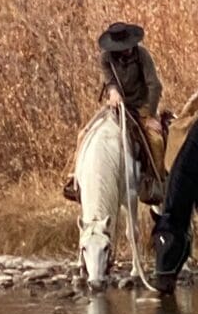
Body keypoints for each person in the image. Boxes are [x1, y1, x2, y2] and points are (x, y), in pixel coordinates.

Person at [64, 22, 165, 203]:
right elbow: (110, 80)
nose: (125, 50)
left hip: (142, 105)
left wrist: (150, 114)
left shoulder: (142, 55)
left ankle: (156, 181)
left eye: (127, 47)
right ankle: (75, 178)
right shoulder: (106, 58)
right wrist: (113, 91)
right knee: (82, 135)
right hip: (118, 106)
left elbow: (154, 84)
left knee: (156, 140)